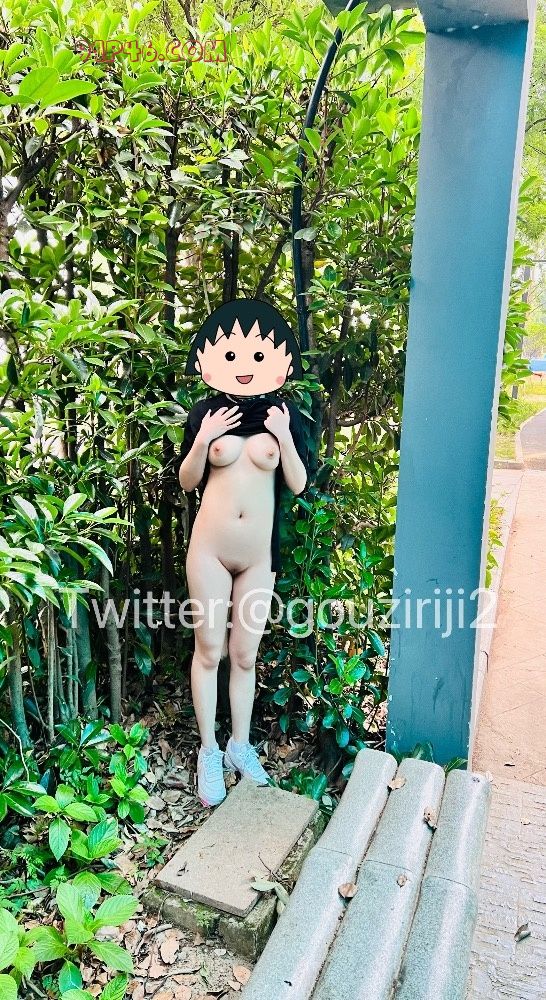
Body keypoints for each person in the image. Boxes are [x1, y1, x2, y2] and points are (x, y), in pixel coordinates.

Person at [178, 298, 309, 806]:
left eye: (258, 355)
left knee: (244, 655)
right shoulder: (206, 413)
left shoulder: (282, 414)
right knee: (209, 651)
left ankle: (239, 745)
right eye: (231, 355)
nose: (245, 365)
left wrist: (284, 438)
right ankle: (209, 750)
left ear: (280, 360)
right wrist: (203, 439)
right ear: (209, 359)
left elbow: (297, 484)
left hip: (258, 557)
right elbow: (187, 481)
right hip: (209, 551)